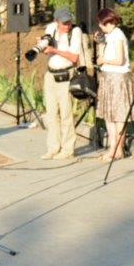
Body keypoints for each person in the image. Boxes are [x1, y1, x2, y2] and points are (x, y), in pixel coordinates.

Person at [39, 8, 82, 160]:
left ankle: (68, 149)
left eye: (69, 22)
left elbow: (74, 58)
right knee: (51, 114)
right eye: (64, 23)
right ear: (56, 22)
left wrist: (55, 51)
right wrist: (42, 46)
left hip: (65, 75)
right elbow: (44, 43)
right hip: (50, 74)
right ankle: (53, 147)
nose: (67, 25)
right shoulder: (50, 29)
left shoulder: (75, 32)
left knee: (66, 114)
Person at [93, 9, 134, 162]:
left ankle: (116, 150)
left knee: (118, 116)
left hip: (117, 78)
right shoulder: (109, 36)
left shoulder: (118, 35)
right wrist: (100, 44)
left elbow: (119, 60)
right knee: (109, 117)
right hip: (107, 77)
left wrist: (104, 61)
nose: (99, 26)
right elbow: (100, 59)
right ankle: (114, 149)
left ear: (107, 22)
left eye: (101, 23)